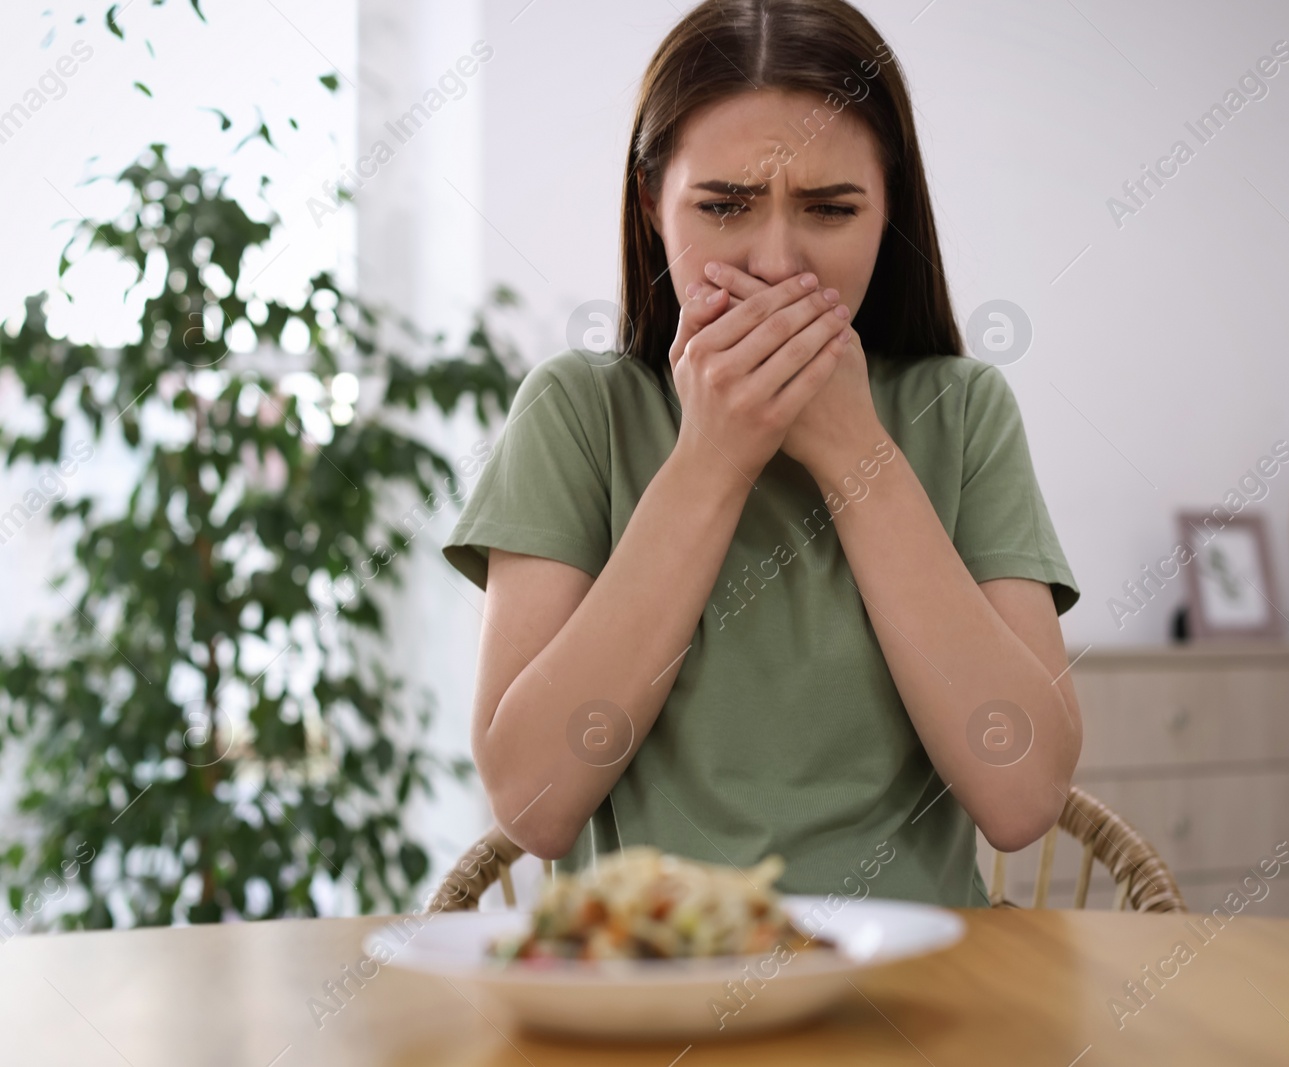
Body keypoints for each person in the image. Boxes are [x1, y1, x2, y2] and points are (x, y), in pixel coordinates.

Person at [442, 0, 1082, 908]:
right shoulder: (580, 415)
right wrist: (710, 461)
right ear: (651, 203)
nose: (778, 263)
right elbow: (533, 804)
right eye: (725, 205)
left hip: (922, 1001)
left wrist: (857, 453)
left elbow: (1021, 797)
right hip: (654, 999)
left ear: (888, 212)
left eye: (829, 209)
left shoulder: (962, 411)